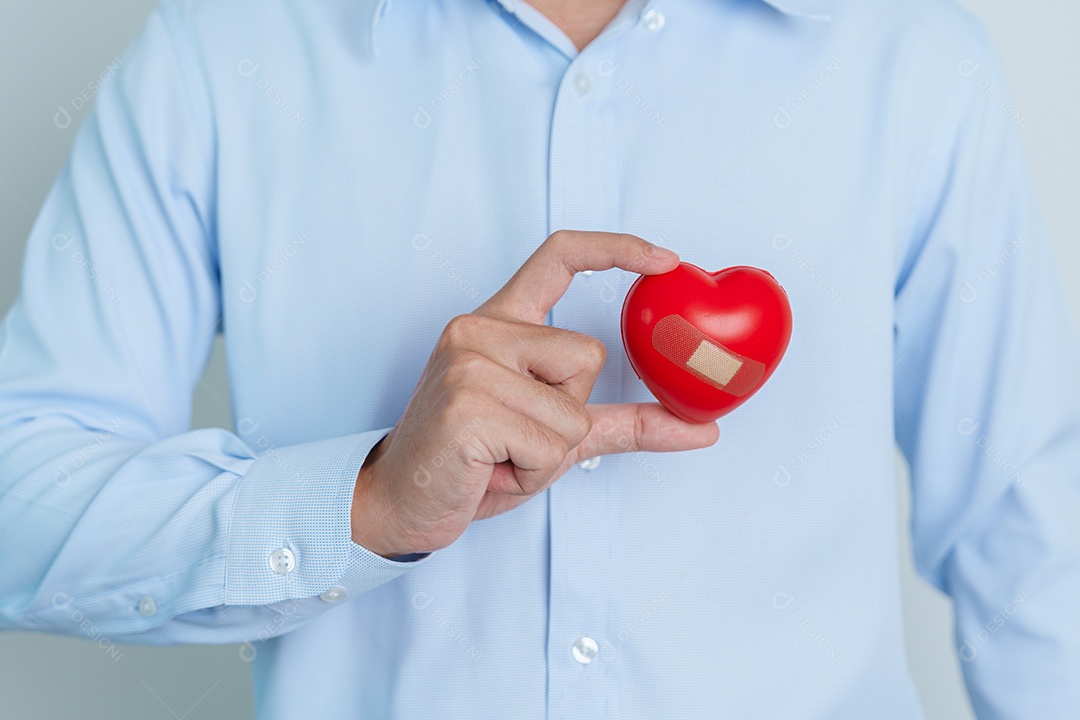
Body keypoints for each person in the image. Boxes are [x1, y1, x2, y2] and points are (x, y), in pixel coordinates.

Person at [1, 0, 1078, 717]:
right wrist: (362, 504)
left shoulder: (912, 52)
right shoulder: (222, 49)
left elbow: (1030, 529)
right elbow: (19, 506)